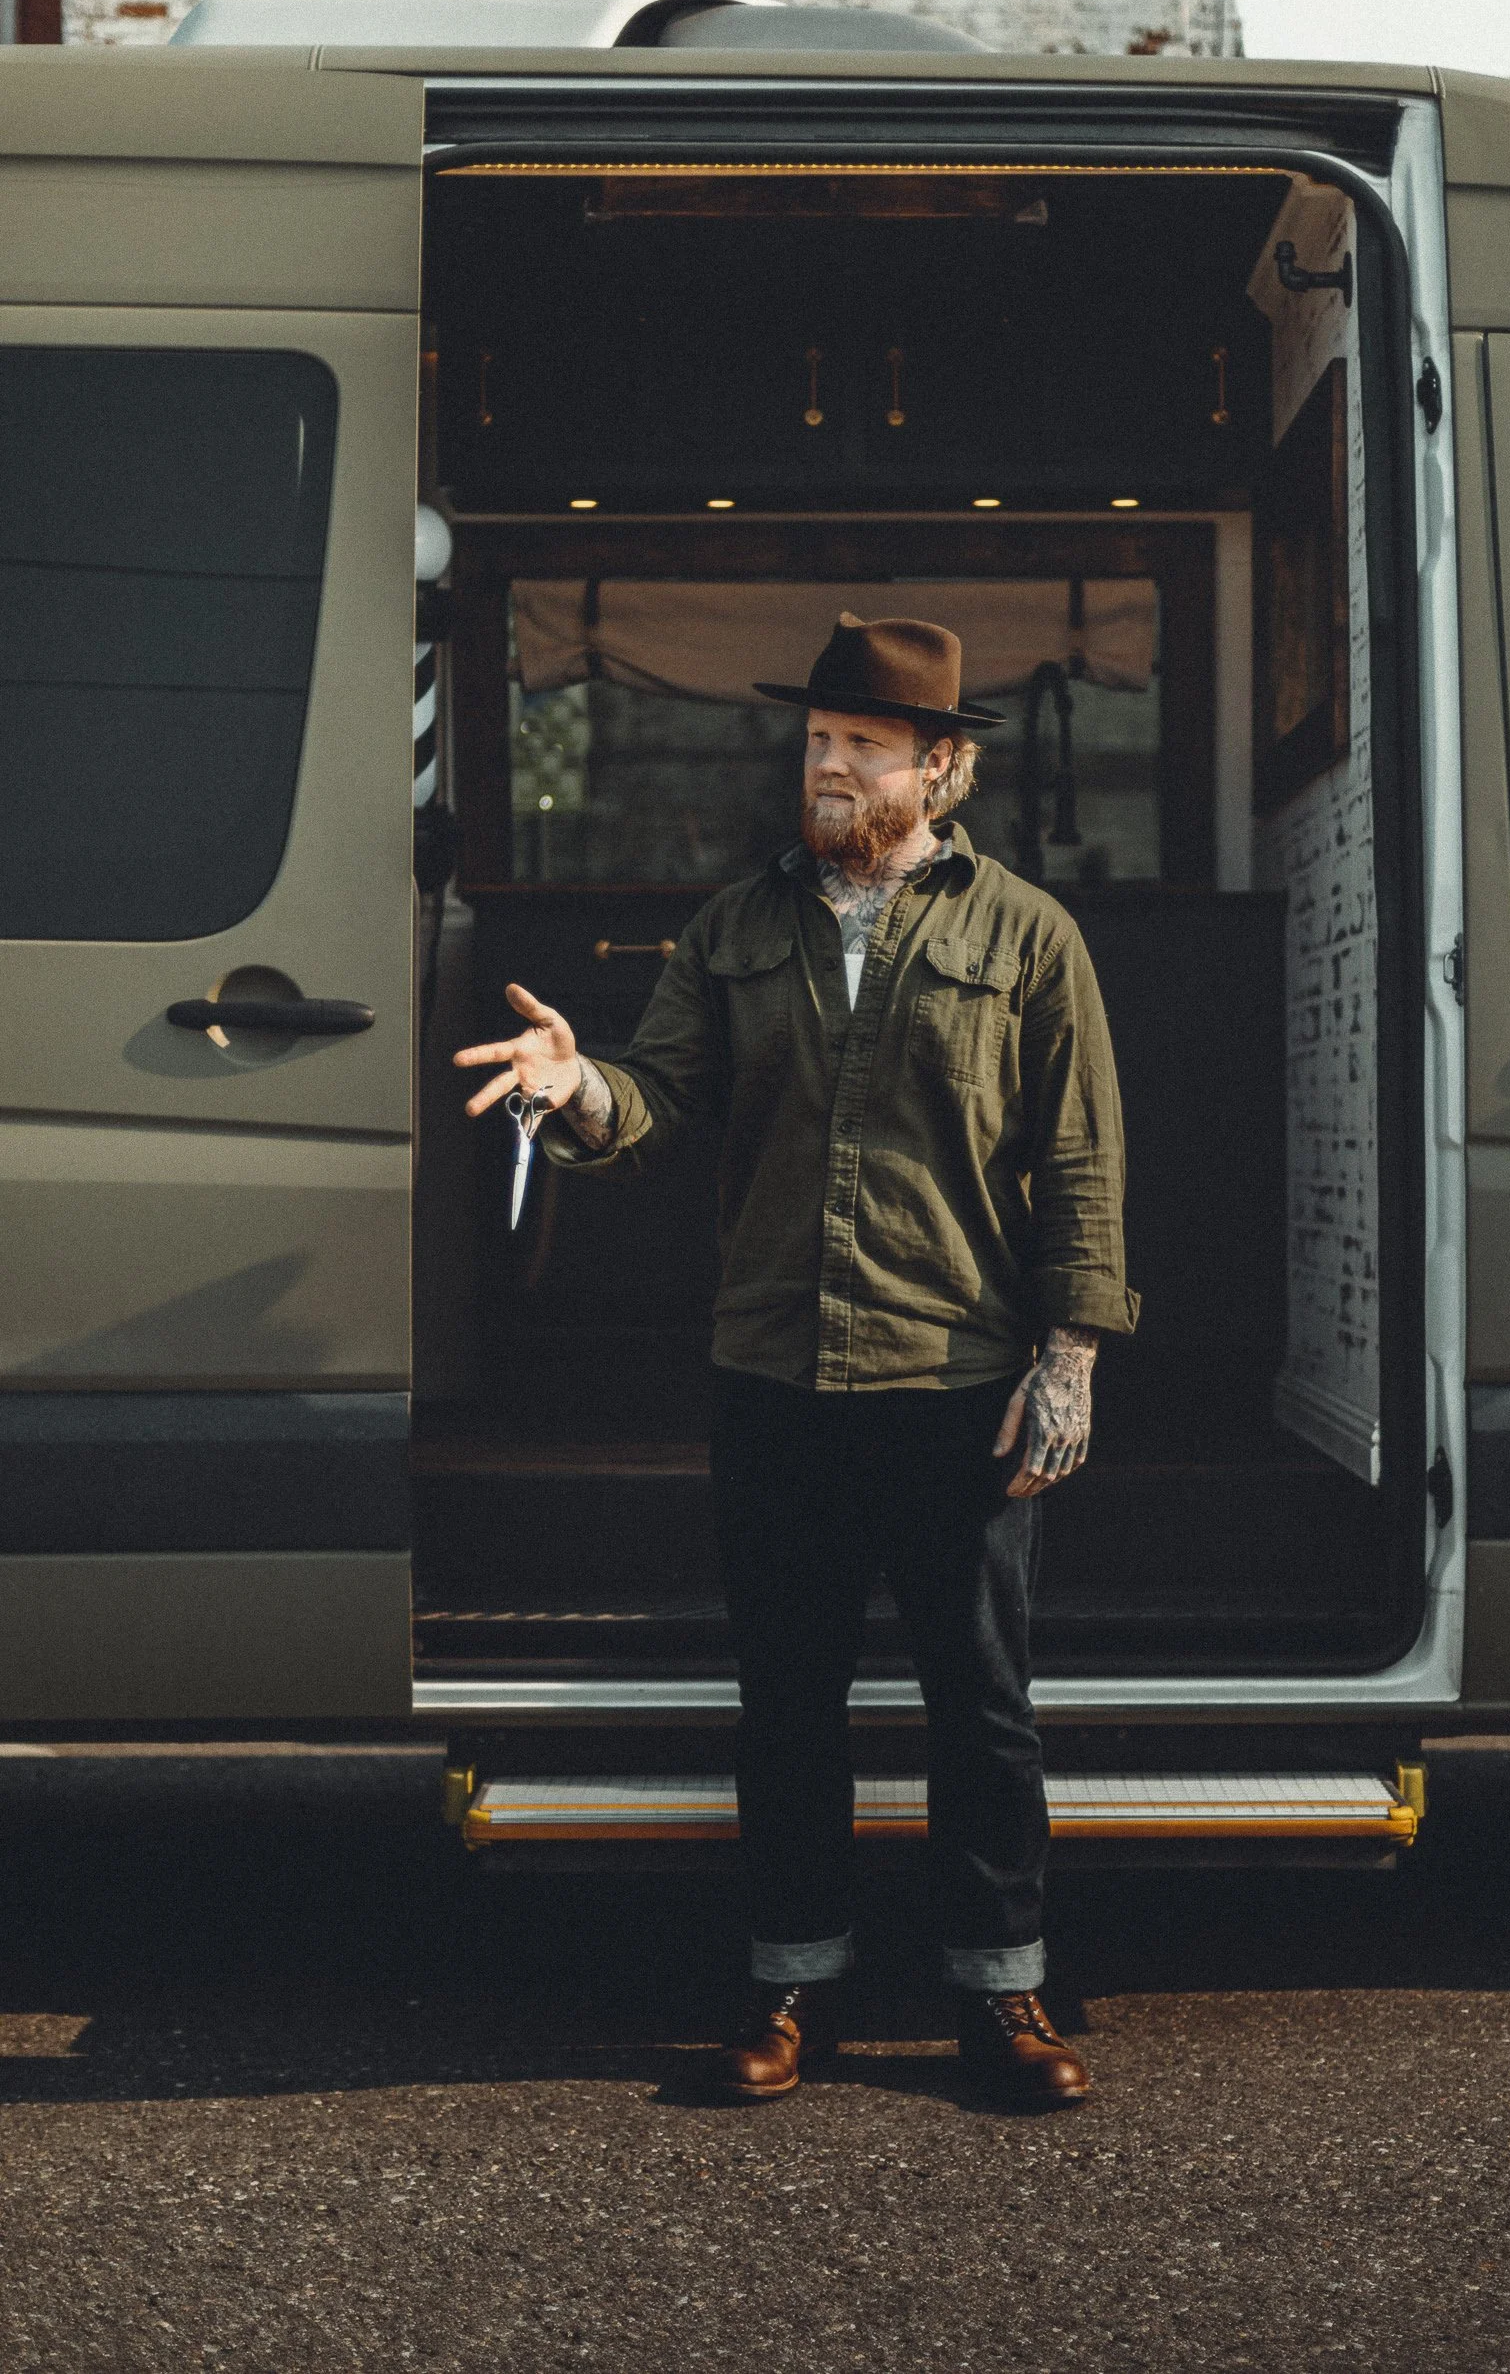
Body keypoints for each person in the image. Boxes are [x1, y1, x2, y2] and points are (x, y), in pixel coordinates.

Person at [455, 612, 1138, 2110]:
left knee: (982, 1705)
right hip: (775, 1372)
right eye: (816, 744)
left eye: (860, 748)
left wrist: (1067, 1358)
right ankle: (790, 1983)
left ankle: (1002, 1996)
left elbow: (1081, 1161)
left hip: (957, 1376)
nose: (825, 769)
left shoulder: (1025, 937)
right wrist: (575, 1089)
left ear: (940, 770)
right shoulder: (735, 927)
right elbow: (652, 1109)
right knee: (785, 1700)